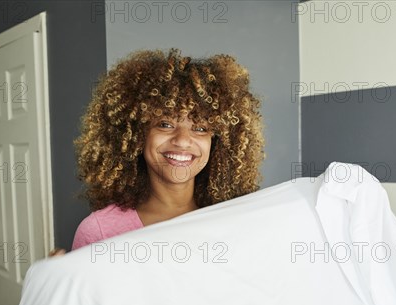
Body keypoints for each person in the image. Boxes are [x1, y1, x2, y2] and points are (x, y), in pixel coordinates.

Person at [48, 48, 265, 257]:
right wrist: (54, 282)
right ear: (135, 134)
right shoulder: (100, 231)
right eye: (165, 124)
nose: (182, 140)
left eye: (200, 128)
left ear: (217, 142)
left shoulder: (235, 219)